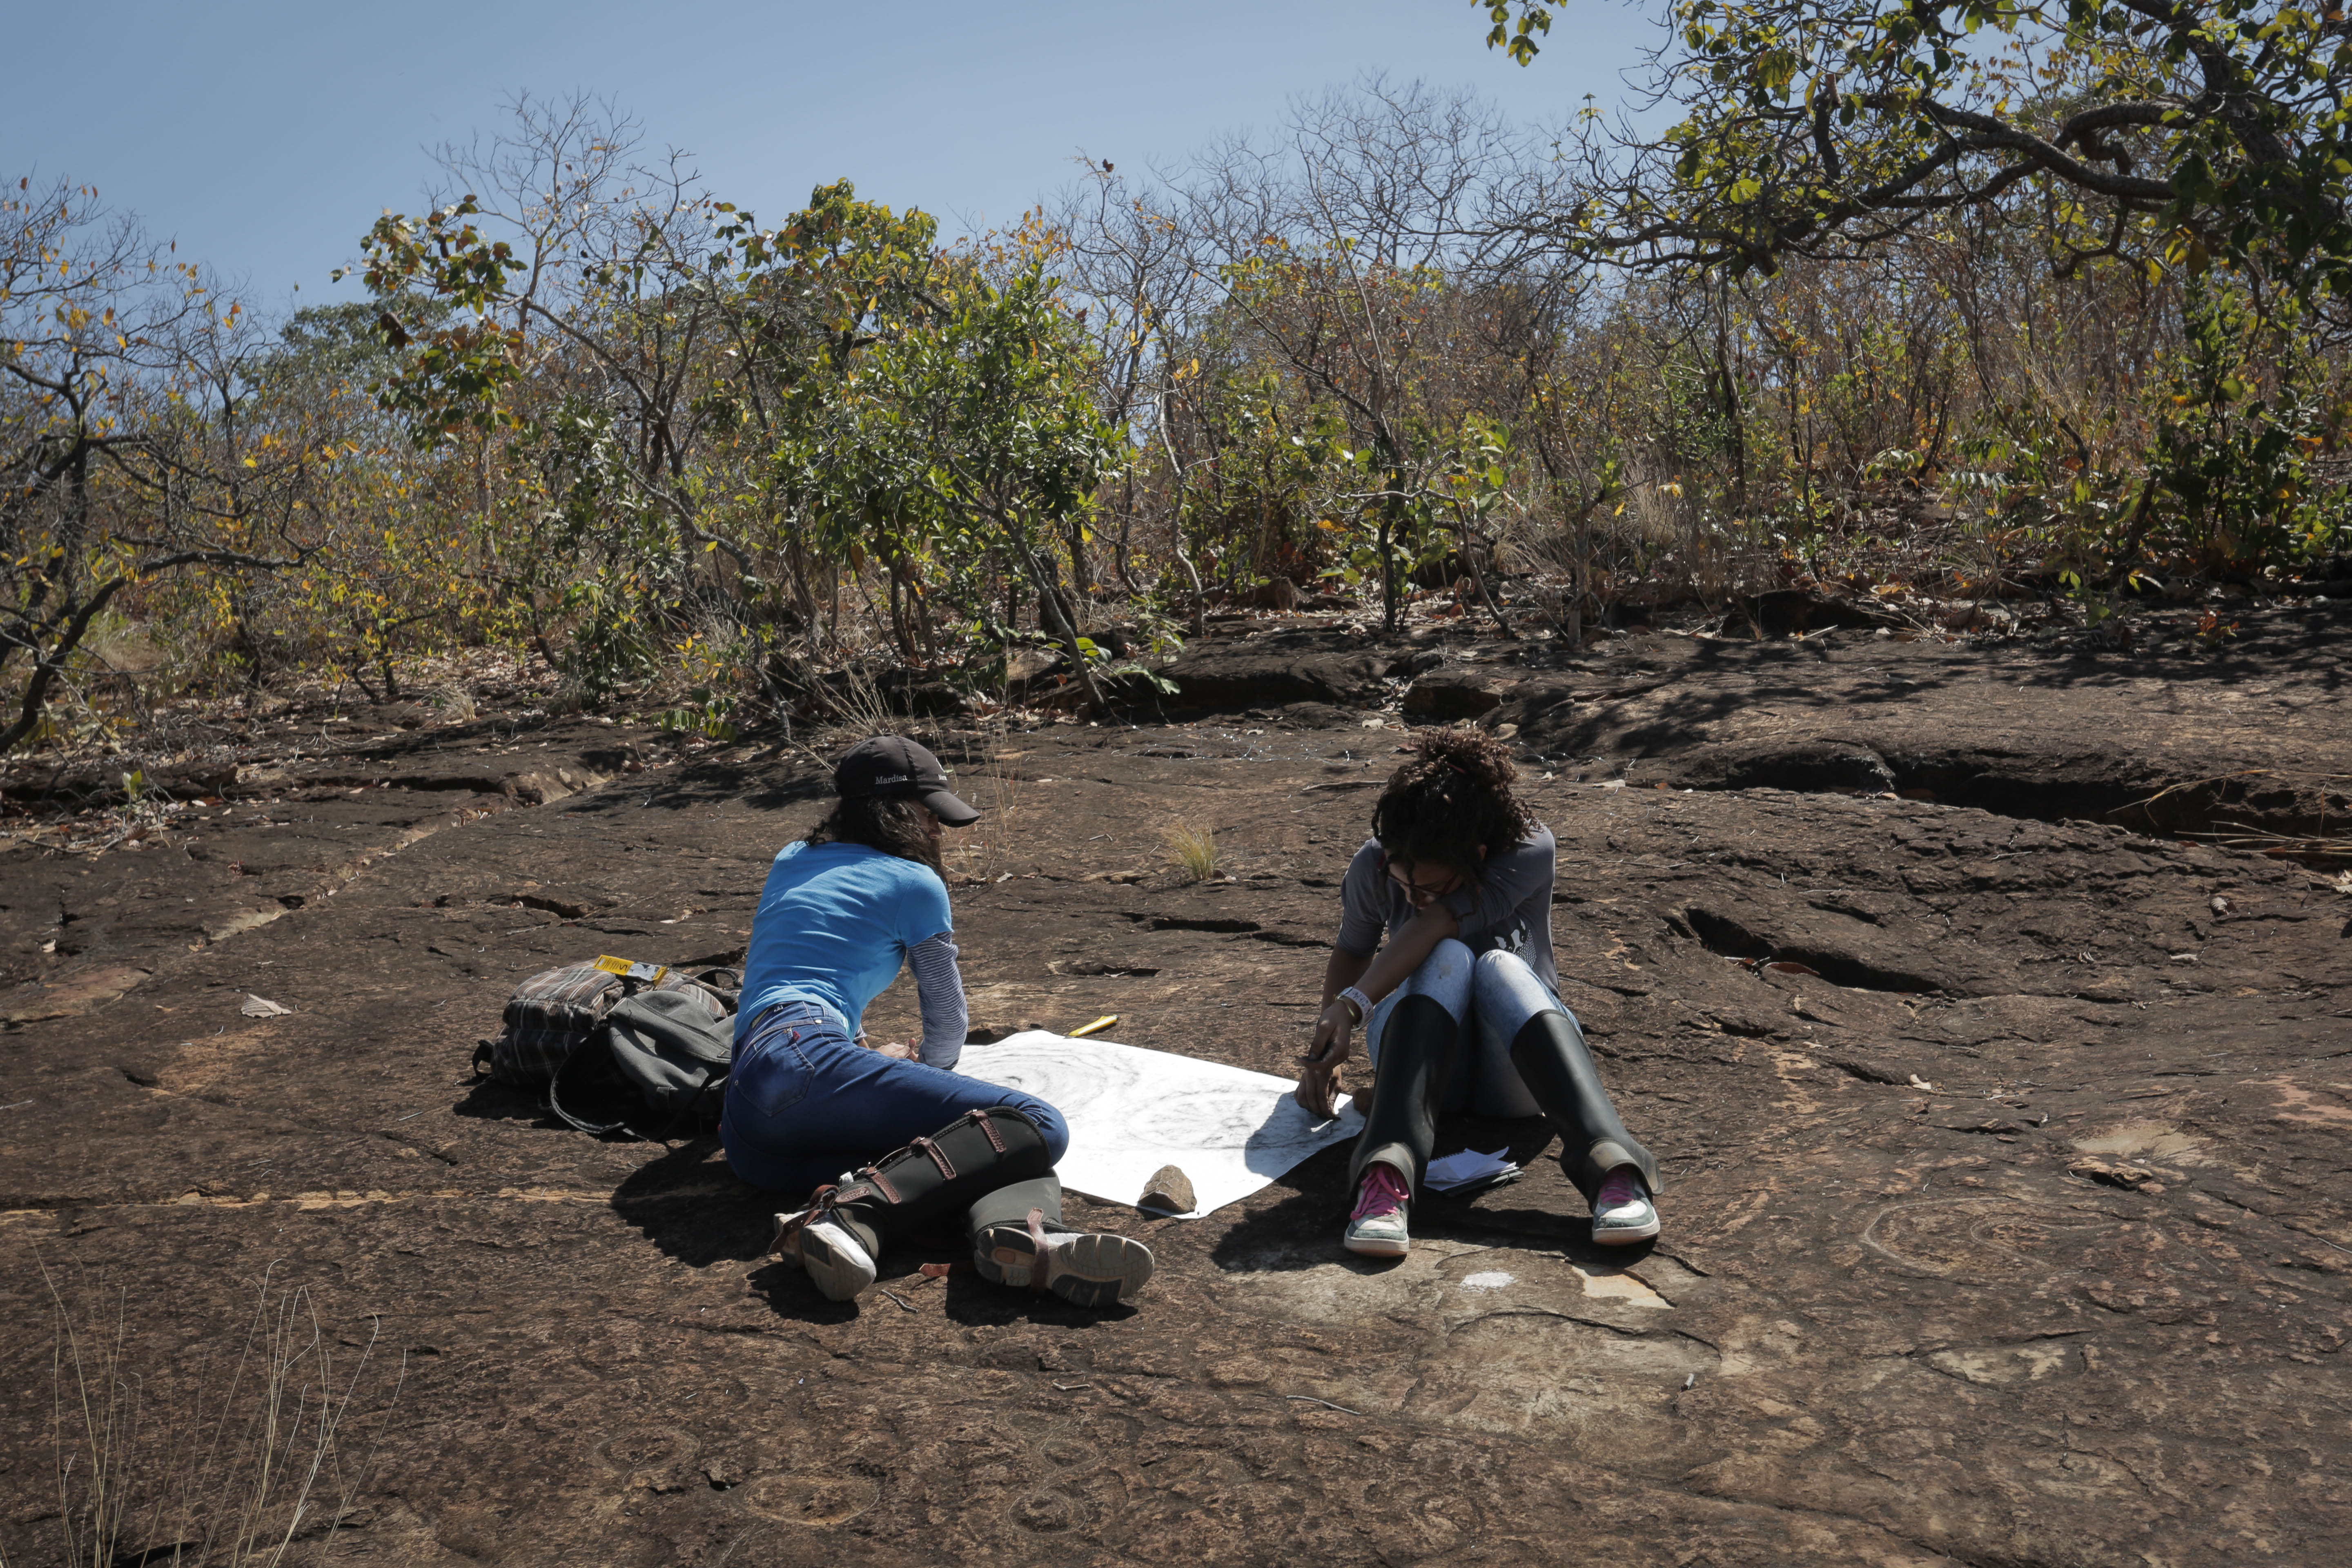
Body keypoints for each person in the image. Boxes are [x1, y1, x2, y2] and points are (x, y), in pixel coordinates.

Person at [723, 735, 1153, 1307]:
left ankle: (1011, 1238)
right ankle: (861, 1210)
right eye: (929, 815)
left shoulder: (793, 858)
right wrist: (932, 1070)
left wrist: (868, 1063)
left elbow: (798, 968)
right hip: (806, 1054)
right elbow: (947, 1019)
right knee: (1029, 1127)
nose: (935, 832)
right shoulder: (914, 884)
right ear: (894, 812)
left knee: (952, 1164)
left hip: (750, 1130)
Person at [1296, 730, 1662, 1258]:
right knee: (1446, 963)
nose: (1414, 899)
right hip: (1424, 1064)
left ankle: (1613, 1164)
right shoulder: (1373, 864)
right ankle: (1385, 1172)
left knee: (1487, 963)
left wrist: (1352, 1004)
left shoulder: (1528, 849)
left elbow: (1435, 925)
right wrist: (1328, 1051)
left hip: (1516, 1075)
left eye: (1431, 888)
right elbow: (1353, 950)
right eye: (1404, 886)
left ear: (1479, 854)